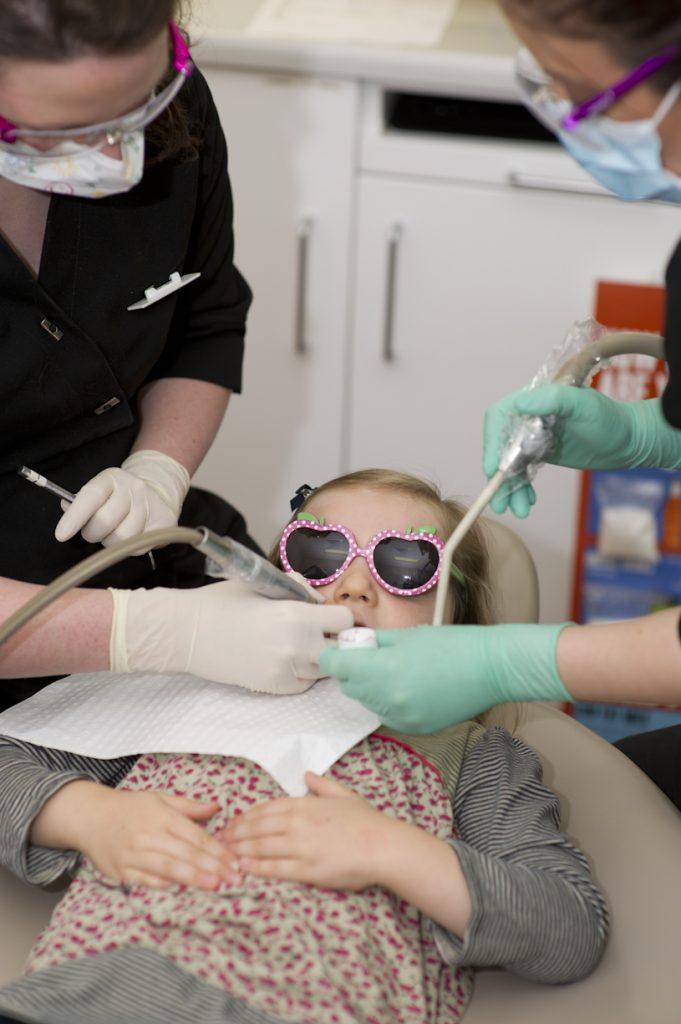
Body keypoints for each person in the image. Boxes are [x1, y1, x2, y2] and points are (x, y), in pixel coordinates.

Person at [0, 469, 607, 1024]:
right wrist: (91, 816)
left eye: (405, 565)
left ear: (458, 618)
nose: (353, 588)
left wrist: (387, 849)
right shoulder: (183, 684)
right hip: (74, 998)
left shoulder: (470, 754)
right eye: (321, 551)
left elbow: (568, 924)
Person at [321, 0, 681, 810]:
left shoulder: (491, 779)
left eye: (573, 89)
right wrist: (642, 435)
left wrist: (510, 664)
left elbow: (552, 921)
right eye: (316, 553)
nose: (347, 590)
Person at [0, 1, 350, 711]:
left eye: (136, 105)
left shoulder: (167, 102)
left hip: (144, 561)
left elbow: (205, 318)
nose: (113, 157)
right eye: (57, 132)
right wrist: (156, 635)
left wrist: (157, 470)